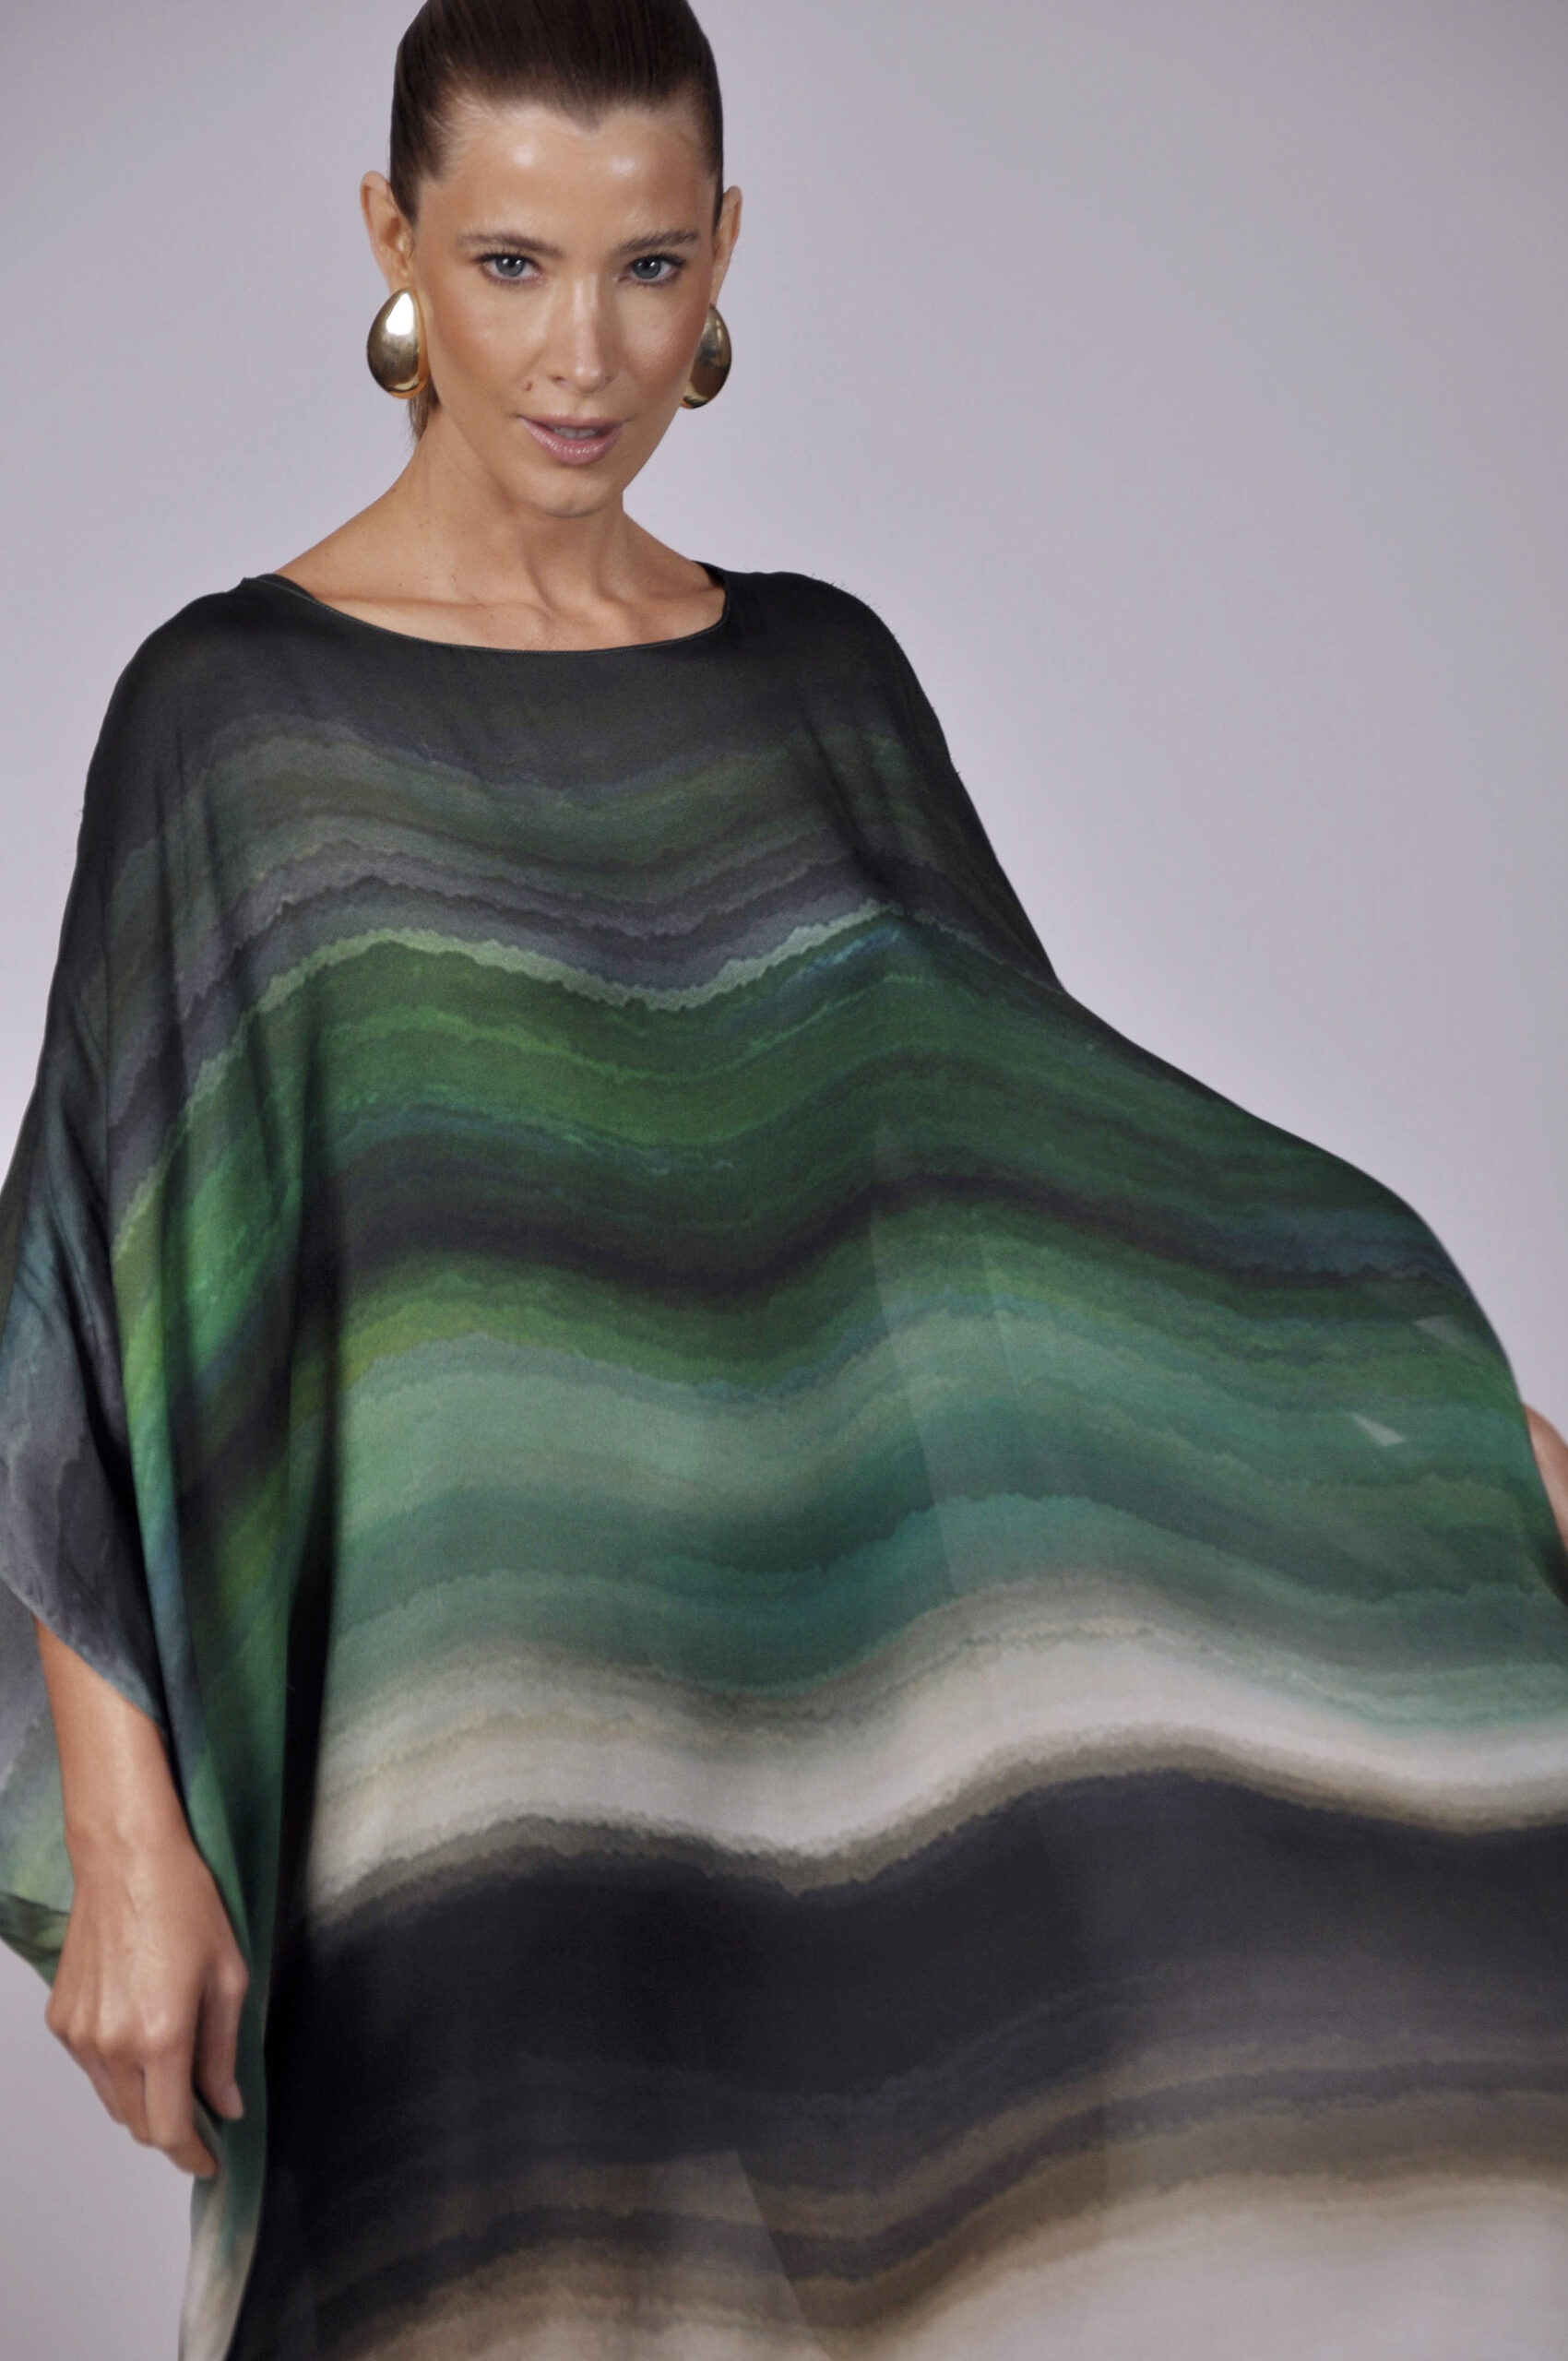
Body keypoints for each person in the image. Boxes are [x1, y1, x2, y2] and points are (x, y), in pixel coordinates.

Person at [2, 2, 1566, 2354]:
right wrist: (128, 1839)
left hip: (819, 1725)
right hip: (462, 1754)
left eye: (647, 265)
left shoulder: (822, 678)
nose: (584, 352)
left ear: (723, 249)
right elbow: (82, 1301)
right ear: (393, 238)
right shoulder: (234, 717)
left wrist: (1436, 1438)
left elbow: (1027, 1195)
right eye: (513, 262)